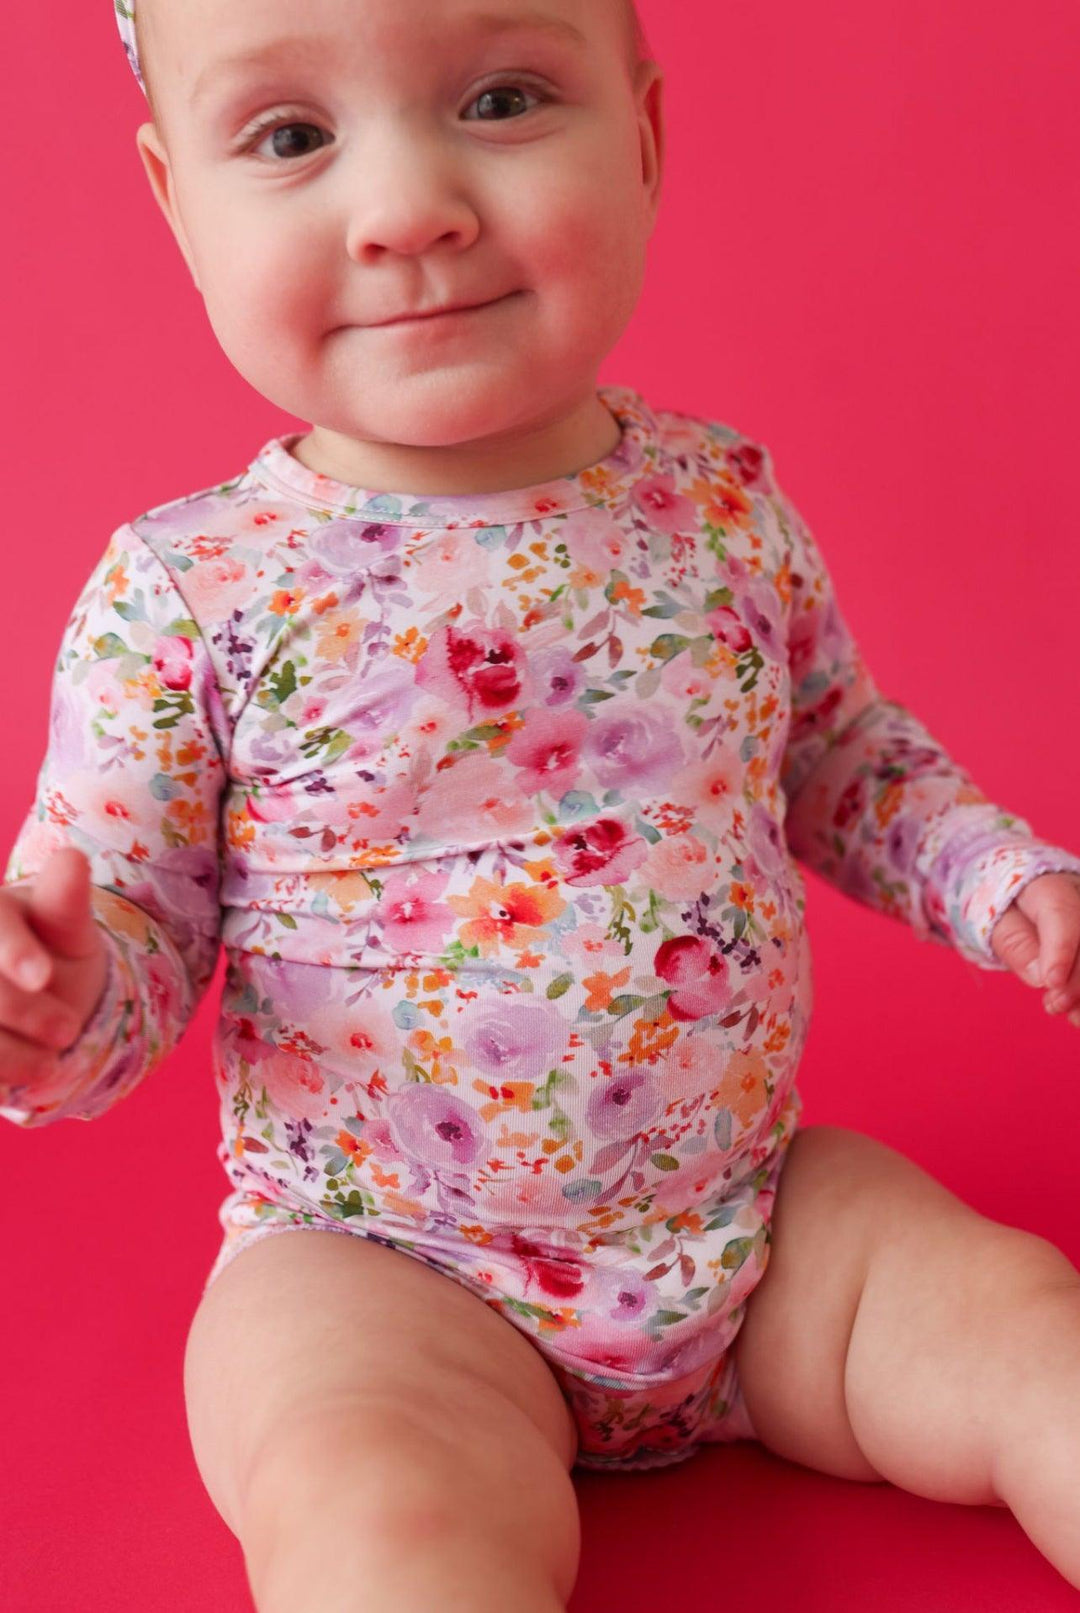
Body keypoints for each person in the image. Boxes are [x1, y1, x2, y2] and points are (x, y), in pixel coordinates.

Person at [4, 0, 1080, 1607]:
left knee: (1028, 1325)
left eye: (502, 99)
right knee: (379, 1517)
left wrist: (1005, 877)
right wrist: (57, 1000)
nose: (407, 208)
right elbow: (134, 931)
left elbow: (835, 752)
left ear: (641, 142)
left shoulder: (720, 502)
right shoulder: (194, 592)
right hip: (387, 1268)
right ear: (177, 202)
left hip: (753, 1230)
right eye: (292, 137)